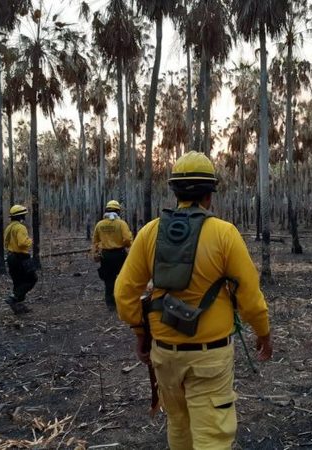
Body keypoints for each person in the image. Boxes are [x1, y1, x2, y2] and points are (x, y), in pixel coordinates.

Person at [115, 151, 272, 450]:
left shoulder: (150, 232)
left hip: (165, 354)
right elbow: (249, 296)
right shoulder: (225, 234)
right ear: (209, 195)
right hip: (209, 357)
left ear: (174, 192)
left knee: (179, 425)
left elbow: (124, 294)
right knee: (212, 435)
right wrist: (263, 332)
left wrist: (140, 333)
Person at [92, 200, 132, 311]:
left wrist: (95, 253)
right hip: (119, 254)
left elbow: (95, 240)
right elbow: (128, 239)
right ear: (118, 211)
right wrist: (126, 245)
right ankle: (122, 302)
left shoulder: (100, 224)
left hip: (105, 256)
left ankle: (110, 304)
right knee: (122, 278)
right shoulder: (121, 224)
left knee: (108, 280)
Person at [4, 205, 37, 314]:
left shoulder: (9, 227)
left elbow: (5, 243)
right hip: (21, 258)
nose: (25, 215)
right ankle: (14, 297)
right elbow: (22, 243)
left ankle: (18, 308)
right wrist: (30, 241)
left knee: (18, 282)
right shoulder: (20, 227)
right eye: (24, 214)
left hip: (11, 257)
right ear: (20, 215)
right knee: (32, 279)